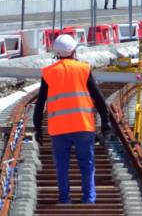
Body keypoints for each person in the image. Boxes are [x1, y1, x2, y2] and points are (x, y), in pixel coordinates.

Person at [33, 34, 111, 204]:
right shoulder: (83, 69)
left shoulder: (49, 73)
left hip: (59, 129)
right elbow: (98, 98)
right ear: (73, 51)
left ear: (57, 53)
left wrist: (38, 128)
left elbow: (39, 104)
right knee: (86, 165)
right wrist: (105, 121)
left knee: (62, 167)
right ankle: (88, 200)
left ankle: (64, 199)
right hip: (83, 126)